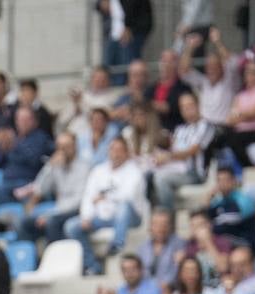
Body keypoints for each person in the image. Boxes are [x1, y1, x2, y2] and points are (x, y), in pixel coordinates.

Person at [64, 139, 147, 276]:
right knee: (71, 226)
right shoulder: (98, 171)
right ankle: (92, 265)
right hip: (103, 216)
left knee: (123, 207)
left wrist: (105, 198)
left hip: (131, 217)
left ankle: (117, 244)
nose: (115, 153)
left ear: (126, 153)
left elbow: (128, 196)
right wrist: (86, 217)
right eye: (113, 149)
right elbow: (88, 197)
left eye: (119, 150)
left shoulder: (134, 171)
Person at [15, 131, 91, 243]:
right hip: (58, 210)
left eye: (66, 146)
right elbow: (40, 187)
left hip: (75, 210)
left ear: (75, 146)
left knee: (51, 222)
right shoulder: (57, 165)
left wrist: (51, 214)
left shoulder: (84, 167)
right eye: (60, 147)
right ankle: (31, 257)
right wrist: (49, 166)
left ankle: (57, 257)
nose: (63, 150)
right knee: (23, 222)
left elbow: (78, 201)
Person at [150, 92, 216, 210]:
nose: (187, 110)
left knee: (162, 179)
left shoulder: (206, 126)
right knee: (148, 175)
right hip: (178, 169)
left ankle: (167, 218)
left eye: (190, 105)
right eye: (184, 107)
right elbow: (172, 150)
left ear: (198, 106)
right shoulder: (180, 129)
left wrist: (168, 156)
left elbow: (192, 151)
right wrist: (160, 157)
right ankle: (155, 216)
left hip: (196, 173)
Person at [206, 165, 255, 254]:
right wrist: (208, 201)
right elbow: (206, 220)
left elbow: (230, 222)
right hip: (225, 242)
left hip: (244, 244)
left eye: (225, 180)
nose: (222, 183)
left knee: (214, 240)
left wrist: (212, 228)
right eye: (219, 180)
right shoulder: (217, 202)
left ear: (234, 181)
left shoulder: (244, 200)